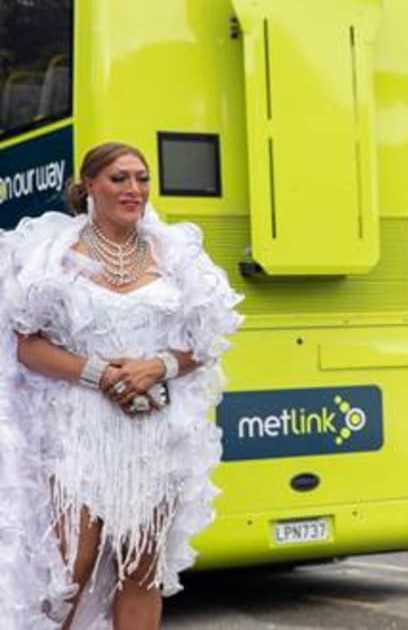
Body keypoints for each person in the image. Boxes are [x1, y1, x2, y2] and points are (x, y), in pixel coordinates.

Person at [0, 142, 242, 629]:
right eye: (119, 178)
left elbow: (205, 341)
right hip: (81, 432)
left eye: (142, 178)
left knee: (142, 571)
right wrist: (103, 375)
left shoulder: (175, 254)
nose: (134, 189)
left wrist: (158, 367)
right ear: (89, 185)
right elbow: (27, 347)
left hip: (154, 433)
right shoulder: (55, 256)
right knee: (70, 572)